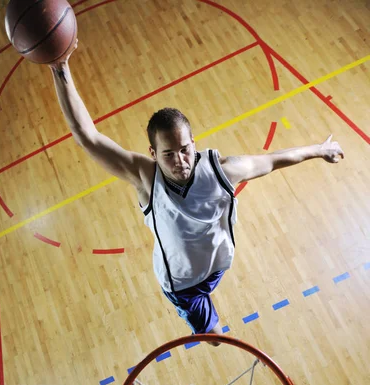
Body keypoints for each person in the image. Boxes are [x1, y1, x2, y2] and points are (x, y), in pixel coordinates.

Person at [50, 47, 344, 345]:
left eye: (184, 149)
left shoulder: (223, 170)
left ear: (194, 142)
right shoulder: (146, 179)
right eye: (168, 154)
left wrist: (320, 150)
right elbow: (87, 136)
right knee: (215, 340)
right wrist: (59, 67)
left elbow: (272, 160)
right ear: (153, 154)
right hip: (183, 285)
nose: (180, 160)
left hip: (217, 266)